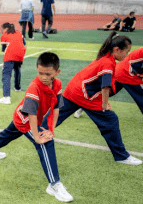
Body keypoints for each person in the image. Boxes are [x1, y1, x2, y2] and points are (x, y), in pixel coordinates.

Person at [0, 52, 73, 203]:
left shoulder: (58, 84)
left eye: (48, 74)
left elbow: (56, 108)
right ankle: (54, 184)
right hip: (25, 119)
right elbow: (31, 114)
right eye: (40, 73)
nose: (43, 77)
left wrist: (51, 129)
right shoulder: (34, 87)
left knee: (8, 133)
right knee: (45, 143)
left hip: (27, 118)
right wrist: (37, 137)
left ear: (57, 72)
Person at [42, 32, 142, 166]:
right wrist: (104, 104)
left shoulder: (106, 56)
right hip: (82, 94)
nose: (127, 55)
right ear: (117, 49)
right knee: (111, 119)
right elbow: (105, 87)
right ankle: (121, 156)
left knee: (56, 115)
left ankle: (36, 131)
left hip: (73, 88)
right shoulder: (108, 63)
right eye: (126, 52)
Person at [0, 23, 26, 105]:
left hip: (10, 55)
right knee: (17, 69)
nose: (1, 31)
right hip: (20, 54)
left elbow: (3, 49)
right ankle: (17, 87)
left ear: (6, 28)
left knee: (6, 75)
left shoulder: (4, 35)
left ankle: (6, 97)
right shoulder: (19, 33)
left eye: (2, 29)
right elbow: (24, 44)